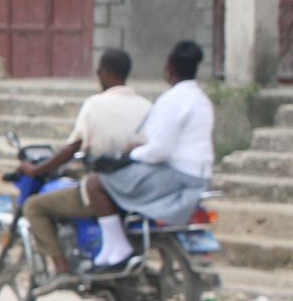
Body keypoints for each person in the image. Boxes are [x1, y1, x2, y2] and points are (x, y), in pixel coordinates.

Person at [21, 48, 152, 290]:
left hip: (104, 189)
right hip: (138, 188)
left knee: (34, 206)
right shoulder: (146, 106)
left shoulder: (95, 105)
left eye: (99, 71)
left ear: (108, 73)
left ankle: (61, 267)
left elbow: (73, 147)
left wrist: (37, 170)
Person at [84, 39, 215, 268]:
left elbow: (159, 151)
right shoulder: (201, 100)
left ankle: (116, 245)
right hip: (199, 175)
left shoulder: (172, 100)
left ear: (169, 68)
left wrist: (130, 155)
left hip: (177, 175)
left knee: (96, 183)